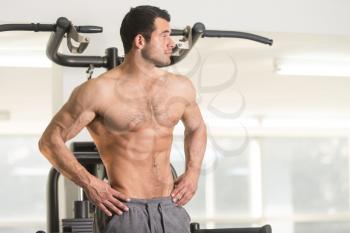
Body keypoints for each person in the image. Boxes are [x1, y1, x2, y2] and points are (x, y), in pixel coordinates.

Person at [38, 5, 207, 233]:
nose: (173, 43)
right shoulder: (98, 91)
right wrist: (90, 183)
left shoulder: (180, 87)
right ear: (140, 41)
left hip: (169, 207)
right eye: (165, 35)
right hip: (124, 210)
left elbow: (196, 128)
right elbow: (49, 141)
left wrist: (193, 172)